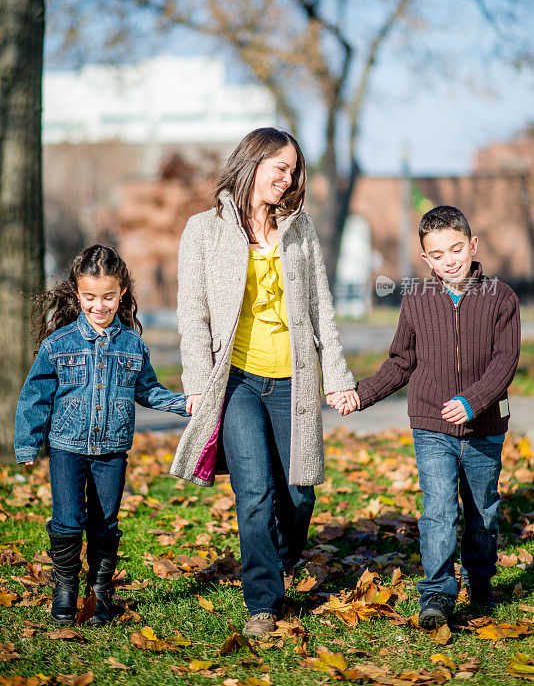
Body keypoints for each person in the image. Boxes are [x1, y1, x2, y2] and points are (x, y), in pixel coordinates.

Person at [170, 127, 357, 636]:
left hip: (294, 380)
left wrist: (337, 377)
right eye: (281, 168)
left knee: (298, 495)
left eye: (294, 171)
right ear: (253, 163)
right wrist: (196, 382)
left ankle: (278, 561)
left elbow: (322, 311)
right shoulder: (202, 230)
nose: (288, 179)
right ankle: (264, 604)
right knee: (254, 492)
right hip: (236, 383)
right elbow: (194, 316)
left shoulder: (300, 230)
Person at [354, 206, 521, 629]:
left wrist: (474, 400)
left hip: (484, 427)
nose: (450, 260)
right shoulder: (417, 298)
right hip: (431, 425)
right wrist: (362, 395)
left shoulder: (501, 298)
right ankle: (437, 595)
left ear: (473, 245)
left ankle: (481, 581)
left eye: (457, 248)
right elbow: (401, 361)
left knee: (482, 510)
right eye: (439, 253)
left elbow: (506, 360)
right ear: (425, 259)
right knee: (439, 509)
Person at [14, 245, 189, 626]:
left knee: (105, 522)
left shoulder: (132, 345)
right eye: (90, 297)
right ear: (78, 295)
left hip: (112, 451)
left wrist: (184, 404)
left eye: (108, 297)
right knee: (68, 519)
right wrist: (28, 442)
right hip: (66, 448)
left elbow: (147, 390)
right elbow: (35, 396)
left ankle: (100, 591)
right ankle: (65, 589)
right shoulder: (58, 345)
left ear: (121, 292)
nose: (99, 306)